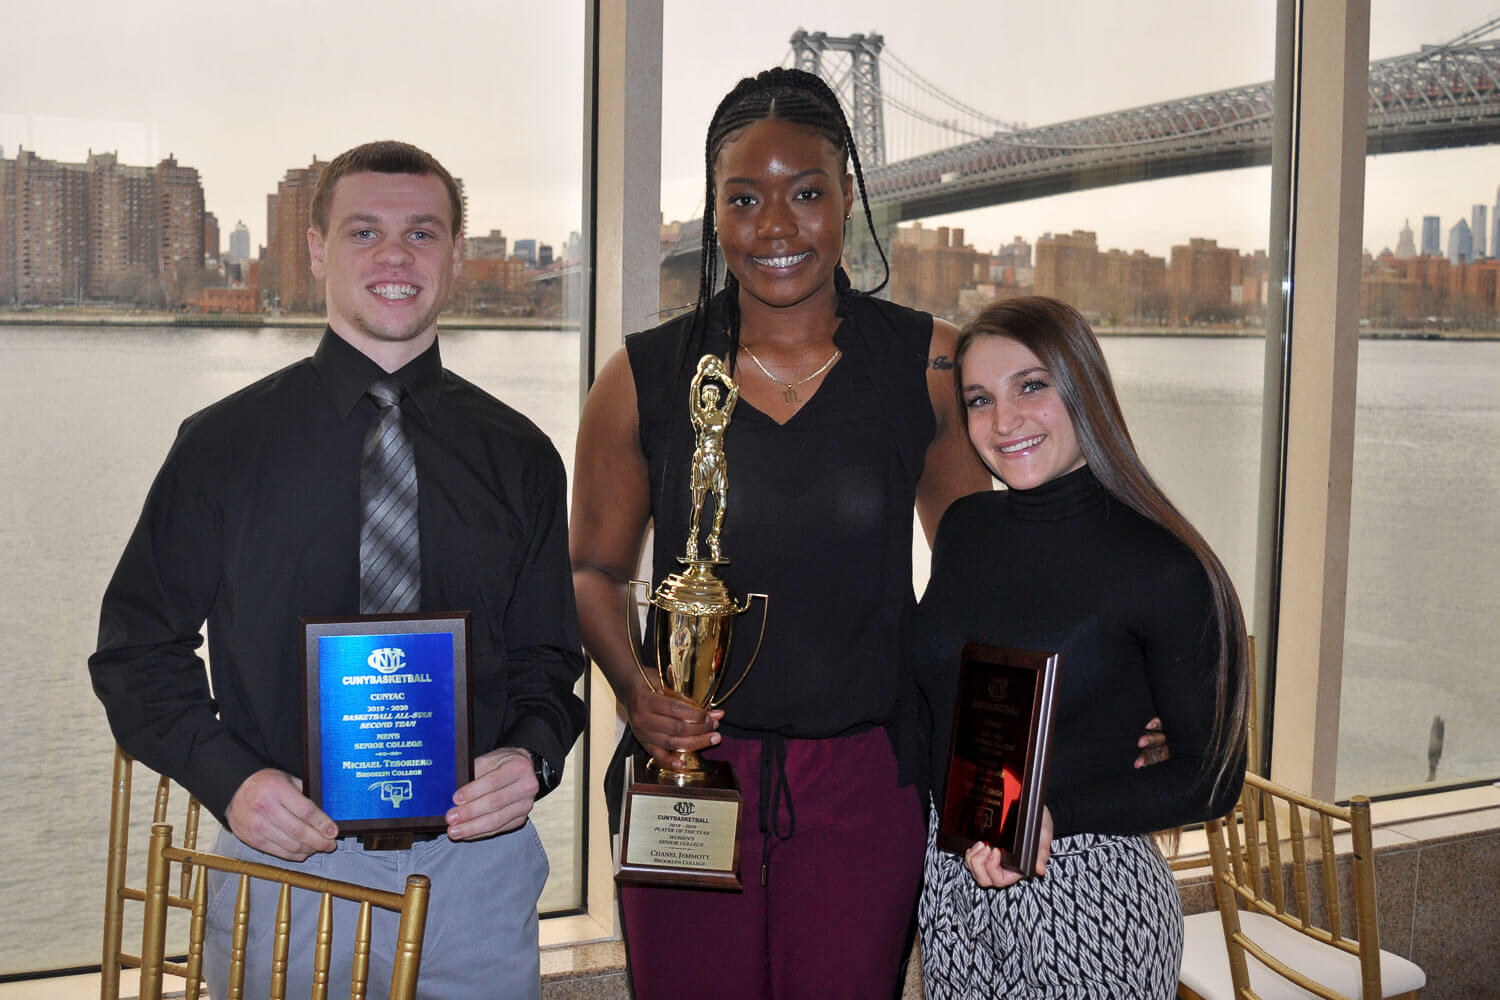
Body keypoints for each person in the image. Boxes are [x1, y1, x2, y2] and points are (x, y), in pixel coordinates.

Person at [89, 140, 586, 1000]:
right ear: (317, 248)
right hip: (279, 865)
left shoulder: (523, 457)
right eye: (364, 230)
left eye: (422, 233)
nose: (395, 256)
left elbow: (550, 664)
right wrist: (229, 781)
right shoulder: (220, 448)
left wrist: (532, 759)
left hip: (470, 876)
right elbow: (136, 656)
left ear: (456, 254)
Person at [570, 67, 993, 999]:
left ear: (847, 198)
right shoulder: (642, 376)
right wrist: (637, 690)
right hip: (684, 778)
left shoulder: (928, 364)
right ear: (714, 214)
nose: (776, 227)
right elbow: (594, 570)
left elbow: (983, 580)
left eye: (806, 194)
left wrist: (1087, 709)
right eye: (745, 198)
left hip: (866, 780)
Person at [911, 296, 1250, 999]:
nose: (1004, 422)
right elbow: (934, 698)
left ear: (1084, 387)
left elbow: (1213, 777)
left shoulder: (1165, 565)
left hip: (1087, 889)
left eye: (1031, 386)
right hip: (952, 886)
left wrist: (1054, 810)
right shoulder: (968, 528)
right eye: (979, 399)